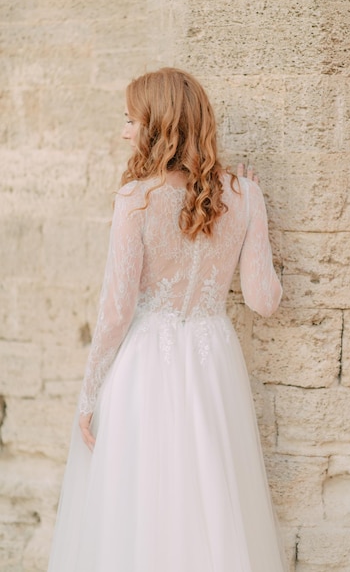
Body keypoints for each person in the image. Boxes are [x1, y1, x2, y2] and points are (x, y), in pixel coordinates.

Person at [47, 67, 286, 572]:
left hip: (146, 365)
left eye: (131, 119)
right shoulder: (245, 196)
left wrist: (88, 395)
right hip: (212, 358)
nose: (124, 131)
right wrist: (256, 220)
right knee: (212, 497)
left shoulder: (136, 200)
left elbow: (116, 311)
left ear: (160, 124)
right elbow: (265, 299)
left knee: (144, 501)